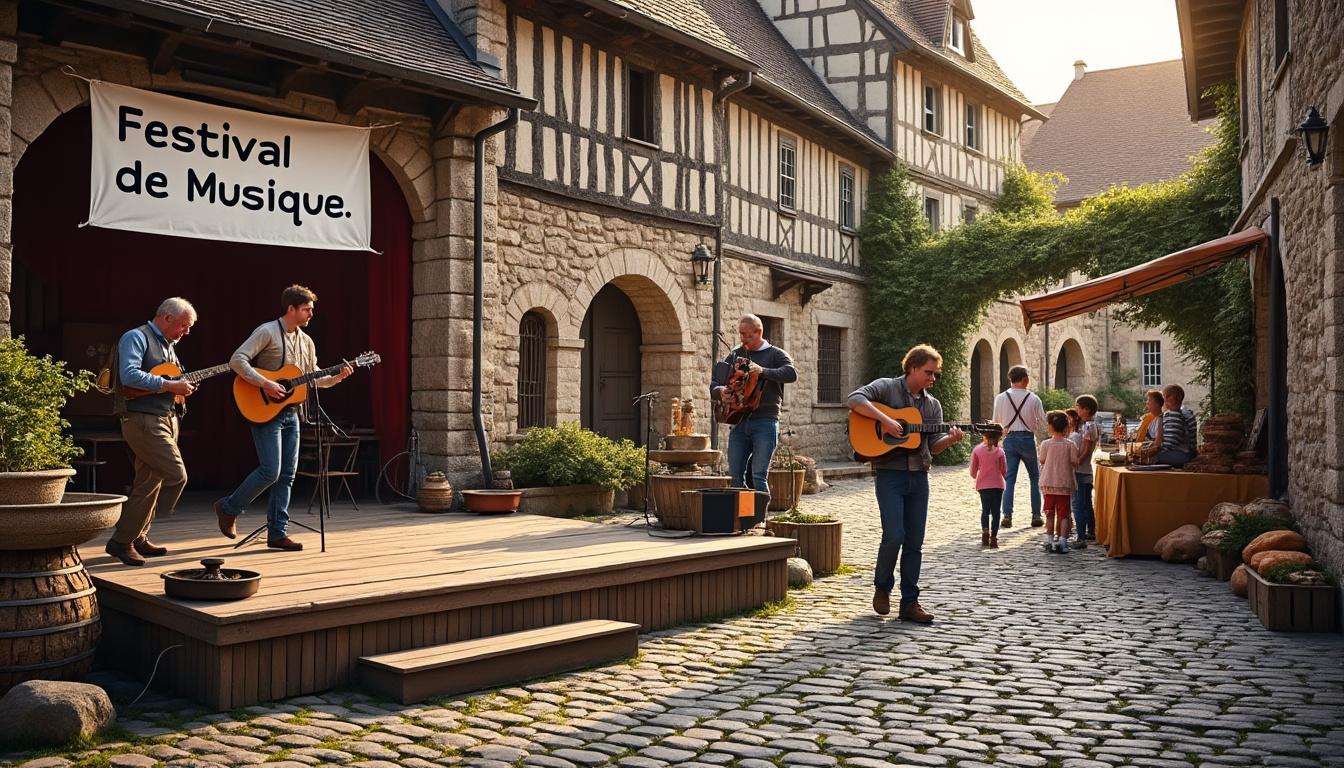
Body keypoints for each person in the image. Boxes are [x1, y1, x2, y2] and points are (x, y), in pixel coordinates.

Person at [215, 285, 352, 550]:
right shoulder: (267, 331)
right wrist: (265, 383)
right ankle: (229, 507)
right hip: (264, 409)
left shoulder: (307, 341)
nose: (311, 313)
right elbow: (237, 360)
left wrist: (336, 377)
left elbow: (314, 378)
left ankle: (277, 533)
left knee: (287, 475)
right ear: (291, 309)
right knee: (270, 471)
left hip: (292, 413)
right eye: (306, 309)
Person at [848, 344, 963, 622]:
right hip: (890, 474)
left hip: (919, 477)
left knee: (915, 542)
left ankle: (910, 602)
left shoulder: (932, 404)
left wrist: (951, 438)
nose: (933, 378)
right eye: (929, 372)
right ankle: (882, 587)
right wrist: (885, 420)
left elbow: (933, 445)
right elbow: (854, 398)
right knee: (894, 535)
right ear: (912, 368)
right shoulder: (887, 388)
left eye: (936, 374)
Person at [103, 298, 198, 566]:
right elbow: (130, 376)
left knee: (148, 482)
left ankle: (136, 537)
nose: (186, 332)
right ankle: (122, 541)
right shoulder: (136, 337)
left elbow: (169, 382)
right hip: (142, 419)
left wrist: (182, 388)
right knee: (175, 474)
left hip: (166, 418)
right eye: (183, 325)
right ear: (166, 318)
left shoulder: (169, 345)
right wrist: (170, 386)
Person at [710, 314, 797, 493]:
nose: (742, 338)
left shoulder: (776, 354)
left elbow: (791, 373)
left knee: (758, 476)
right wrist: (720, 391)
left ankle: (759, 519)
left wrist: (762, 370)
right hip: (738, 421)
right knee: (735, 476)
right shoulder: (736, 353)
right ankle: (740, 518)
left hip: (766, 421)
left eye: (746, 335)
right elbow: (715, 382)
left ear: (759, 332)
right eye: (740, 334)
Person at [992, 365, 1047, 528]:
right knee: (1034, 477)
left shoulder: (1000, 398)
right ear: (1025, 379)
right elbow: (1043, 422)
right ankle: (1036, 515)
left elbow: (996, 422)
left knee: (1009, 479)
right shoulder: (1034, 398)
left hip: (1009, 439)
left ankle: (1007, 515)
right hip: (1027, 439)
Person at [1038, 410, 1079, 553]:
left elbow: (1042, 460)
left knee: (1049, 513)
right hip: (1064, 484)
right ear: (1066, 427)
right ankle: (1062, 541)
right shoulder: (1070, 445)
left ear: (1049, 426)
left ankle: (1049, 540)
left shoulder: (1045, 444)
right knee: (1064, 514)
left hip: (1049, 483)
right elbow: (1075, 461)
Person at [969, 429, 1006, 549]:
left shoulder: (977, 450)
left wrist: (977, 476)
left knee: (985, 510)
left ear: (984, 436)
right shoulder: (1000, 452)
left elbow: (973, 471)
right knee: (996, 512)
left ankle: (985, 531)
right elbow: (1004, 471)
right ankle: (994, 538)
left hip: (983, 485)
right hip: (997, 485)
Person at [1071, 395, 1100, 546]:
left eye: (1078, 407)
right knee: (1086, 503)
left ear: (1086, 410)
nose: (1076, 410)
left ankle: (1081, 536)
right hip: (1085, 470)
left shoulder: (1089, 426)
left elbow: (1085, 448)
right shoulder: (1088, 425)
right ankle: (1090, 531)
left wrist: (1076, 461)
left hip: (1081, 470)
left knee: (1078, 505)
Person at [1151, 384, 1198, 467]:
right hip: (1188, 453)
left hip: (1180, 455)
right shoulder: (1186, 413)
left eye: (1167, 396)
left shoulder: (1173, 415)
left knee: (1151, 457)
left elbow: (1171, 441)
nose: (1165, 400)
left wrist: (1155, 450)